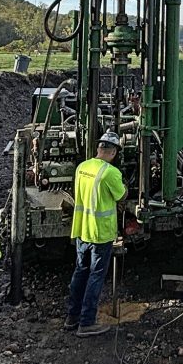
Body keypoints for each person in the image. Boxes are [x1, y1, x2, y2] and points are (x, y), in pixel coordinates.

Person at [66, 130, 126, 337]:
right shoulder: (110, 172)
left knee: (80, 272)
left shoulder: (82, 167)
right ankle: (87, 322)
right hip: (101, 233)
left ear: (99, 148)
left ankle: (71, 317)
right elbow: (121, 194)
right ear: (113, 152)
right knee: (96, 276)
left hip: (82, 230)